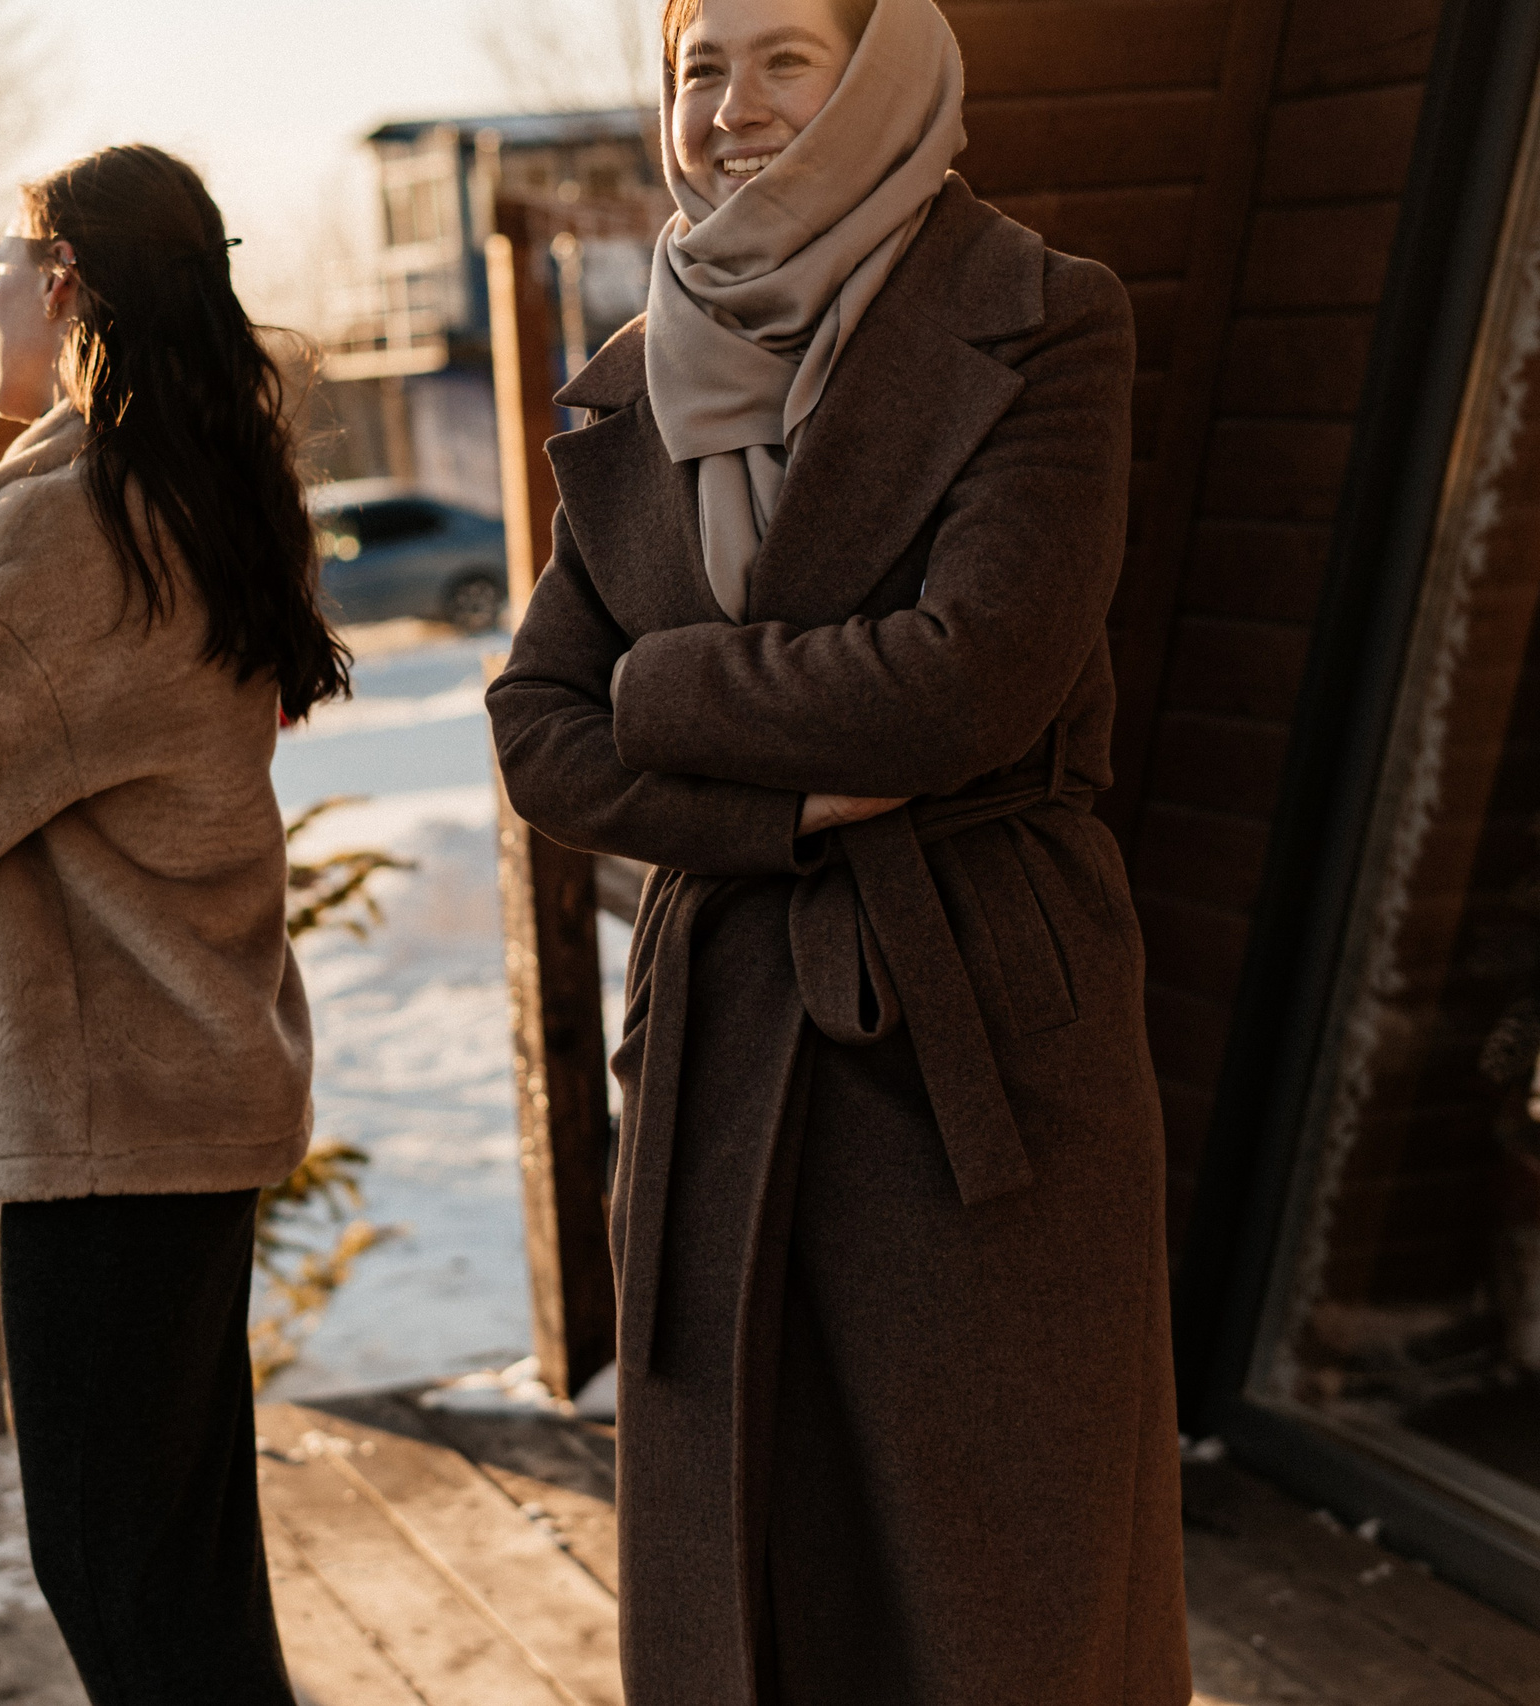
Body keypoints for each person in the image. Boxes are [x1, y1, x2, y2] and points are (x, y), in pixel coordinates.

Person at [486, 0, 1192, 1700]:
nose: (731, 106)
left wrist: (659, 686)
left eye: (784, 55)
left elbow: (969, 676)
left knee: (999, 1600)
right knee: (756, 1606)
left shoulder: (1040, 318)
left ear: (879, 69)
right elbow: (534, 733)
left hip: (972, 1037)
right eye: (697, 67)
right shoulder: (631, 384)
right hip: (723, 1042)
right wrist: (783, 801)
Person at [0, 144, 343, 1705]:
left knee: (129, 1593)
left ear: (74, 288)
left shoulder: (80, 535)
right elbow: (32, 655)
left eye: (22, 273)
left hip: (102, 1124)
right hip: (178, 1097)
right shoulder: (201, 481)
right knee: (186, 1583)